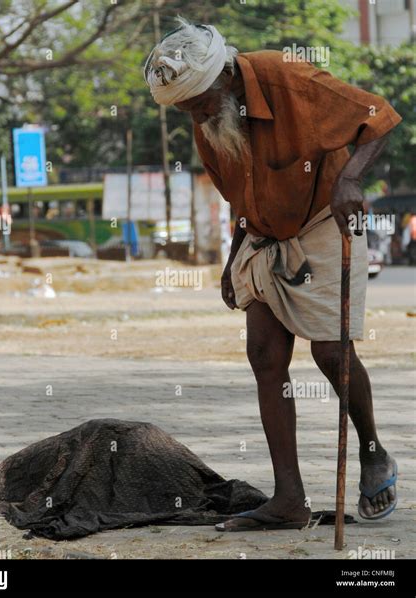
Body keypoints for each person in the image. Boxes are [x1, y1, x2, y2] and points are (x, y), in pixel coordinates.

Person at [144, 18, 401, 531]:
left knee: (331, 352)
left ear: (225, 75)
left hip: (325, 218)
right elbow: (241, 195)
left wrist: (350, 178)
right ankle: (289, 500)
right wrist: (233, 257)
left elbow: (379, 117)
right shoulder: (208, 121)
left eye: (199, 103)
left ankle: (373, 453)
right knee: (263, 353)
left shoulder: (287, 77)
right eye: (185, 110)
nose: (194, 116)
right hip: (261, 234)